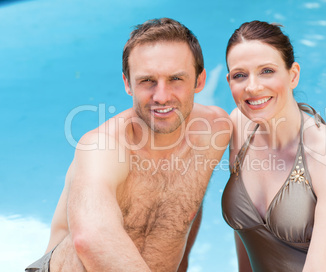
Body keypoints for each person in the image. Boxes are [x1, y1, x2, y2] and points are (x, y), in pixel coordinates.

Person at [26, 18, 231, 272]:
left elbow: (188, 208)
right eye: (147, 81)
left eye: (176, 78)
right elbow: (92, 238)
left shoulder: (214, 131)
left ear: (199, 81)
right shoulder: (103, 146)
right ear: (127, 84)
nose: (162, 96)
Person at [221, 20, 326, 272]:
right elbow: (247, 236)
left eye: (267, 71)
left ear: (293, 75)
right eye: (240, 75)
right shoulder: (240, 125)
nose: (252, 87)